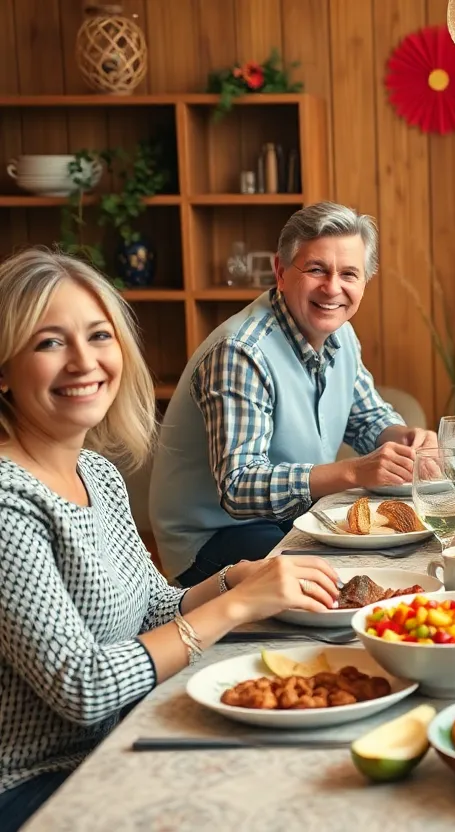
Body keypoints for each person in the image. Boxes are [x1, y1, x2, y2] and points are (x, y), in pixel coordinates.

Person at [0, 249, 342, 830]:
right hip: (35, 786)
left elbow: (154, 605)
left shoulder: (97, 474)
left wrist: (238, 576)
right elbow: (84, 687)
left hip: (119, 741)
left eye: (98, 335)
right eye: (48, 342)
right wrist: (236, 606)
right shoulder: (9, 502)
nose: (84, 362)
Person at [150, 203, 436, 586]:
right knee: (341, 581)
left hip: (287, 518)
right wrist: (353, 471)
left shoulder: (340, 334)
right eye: (316, 269)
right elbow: (238, 486)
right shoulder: (242, 352)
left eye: (349, 273)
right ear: (281, 273)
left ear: (364, 282)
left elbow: (368, 418)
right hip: (212, 539)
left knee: (402, 553)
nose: (333, 288)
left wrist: (402, 438)